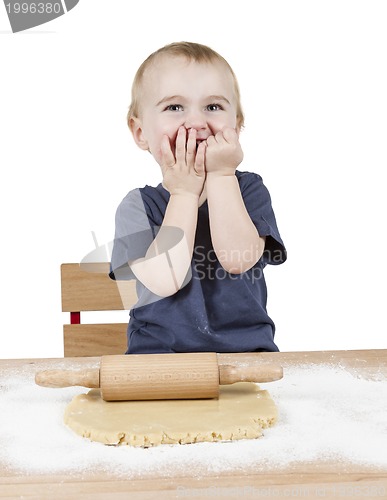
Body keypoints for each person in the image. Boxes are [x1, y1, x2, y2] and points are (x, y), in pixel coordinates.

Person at [110, 41, 286, 354]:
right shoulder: (138, 205)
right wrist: (183, 192)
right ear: (140, 133)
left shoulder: (250, 191)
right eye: (174, 107)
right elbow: (164, 281)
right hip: (157, 357)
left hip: (245, 355)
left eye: (214, 107)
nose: (196, 122)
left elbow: (238, 260)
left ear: (237, 126)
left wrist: (221, 176)